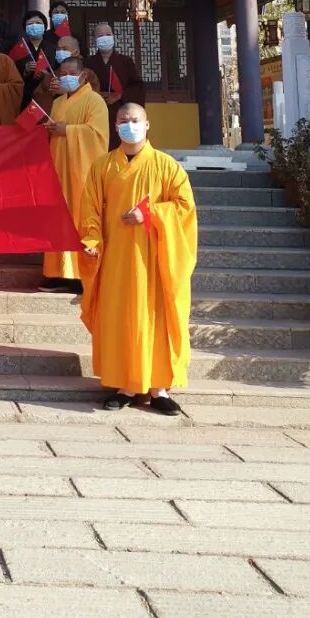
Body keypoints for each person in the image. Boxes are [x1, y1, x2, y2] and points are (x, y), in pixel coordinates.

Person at [78, 103, 197, 415]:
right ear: (115, 125)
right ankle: (125, 386)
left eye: (134, 120)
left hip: (155, 260)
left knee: (156, 318)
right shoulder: (102, 166)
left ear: (147, 125)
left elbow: (184, 208)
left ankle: (158, 388)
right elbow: (90, 211)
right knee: (121, 318)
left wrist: (150, 213)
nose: (129, 125)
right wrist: (91, 240)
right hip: (117, 259)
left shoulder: (167, 166)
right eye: (123, 120)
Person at [42, 57, 109, 293]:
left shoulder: (95, 101)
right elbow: (53, 132)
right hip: (59, 169)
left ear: (83, 75)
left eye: (72, 73)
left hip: (82, 171)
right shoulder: (58, 102)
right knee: (58, 219)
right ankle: (56, 273)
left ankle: (82, 274)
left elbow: (97, 134)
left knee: (81, 218)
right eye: (63, 74)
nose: (67, 78)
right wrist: (50, 129)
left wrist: (67, 130)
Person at [85, 21, 146, 147]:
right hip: (96, 113)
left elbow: (137, 87)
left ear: (113, 36)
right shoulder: (88, 62)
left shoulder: (125, 61)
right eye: (100, 36)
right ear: (95, 40)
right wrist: (97, 95)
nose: (105, 38)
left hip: (119, 112)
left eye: (108, 34)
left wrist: (120, 95)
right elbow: (82, 87)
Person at [15, 10, 58, 113]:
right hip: (26, 98)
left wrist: (47, 76)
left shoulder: (54, 49)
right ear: (25, 28)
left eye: (38, 23)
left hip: (48, 96)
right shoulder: (19, 49)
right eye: (30, 24)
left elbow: (60, 72)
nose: (34, 26)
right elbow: (13, 76)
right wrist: (25, 72)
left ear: (44, 27)